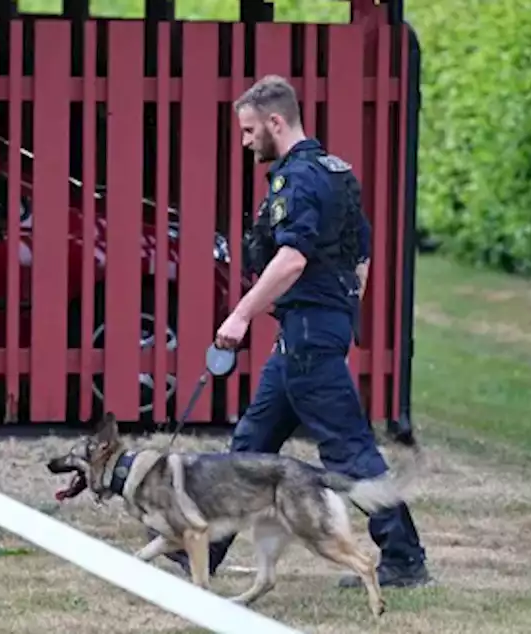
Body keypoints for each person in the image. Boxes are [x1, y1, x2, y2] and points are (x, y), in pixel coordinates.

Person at [156, 75, 431, 589]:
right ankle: (201, 552)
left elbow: (292, 258)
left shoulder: (298, 179)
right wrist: (340, 317)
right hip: (308, 336)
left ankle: (404, 559)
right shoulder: (337, 172)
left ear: (275, 123)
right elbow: (362, 259)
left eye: (248, 130)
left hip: (307, 337)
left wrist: (239, 316)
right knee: (248, 446)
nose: (244, 141)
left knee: (349, 452)